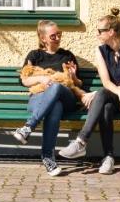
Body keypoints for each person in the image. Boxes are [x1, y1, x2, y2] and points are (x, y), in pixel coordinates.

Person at [58, 8, 120, 175]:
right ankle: (109, 158)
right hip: (114, 98)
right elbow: (105, 81)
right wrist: (110, 93)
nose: (97, 34)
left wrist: (102, 94)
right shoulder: (100, 51)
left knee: (102, 94)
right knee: (106, 107)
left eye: (100, 31)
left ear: (111, 32)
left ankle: (81, 142)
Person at [13, 20, 82, 177]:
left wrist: (73, 76)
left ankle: (29, 127)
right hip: (39, 97)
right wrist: (41, 79)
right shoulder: (34, 55)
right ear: (43, 38)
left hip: (67, 98)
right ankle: (48, 158)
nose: (57, 38)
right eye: (53, 36)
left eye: (59, 34)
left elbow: (78, 83)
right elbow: (24, 80)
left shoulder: (67, 55)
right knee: (55, 107)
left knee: (56, 87)